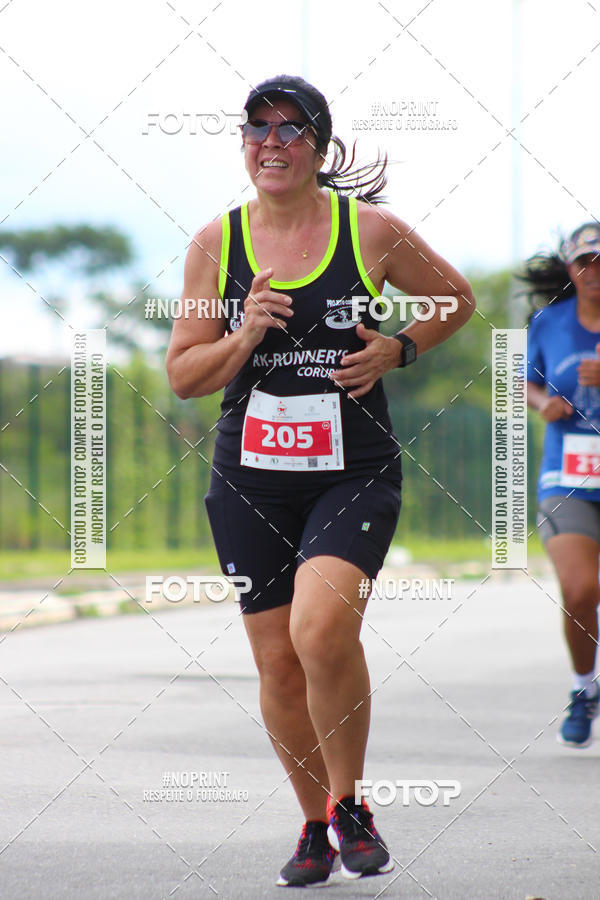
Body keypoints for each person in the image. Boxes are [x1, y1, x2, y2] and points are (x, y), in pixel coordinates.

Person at [167, 74, 475, 886]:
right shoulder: (216, 244)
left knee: (321, 630)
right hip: (250, 481)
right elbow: (184, 376)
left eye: (290, 128)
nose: (271, 142)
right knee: (277, 663)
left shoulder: (369, 232)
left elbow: (455, 298)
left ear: (319, 146)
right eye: (257, 128)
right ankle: (313, 827)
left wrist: (400, 348)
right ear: (243, 144)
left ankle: (351, 803)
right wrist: (242, 336)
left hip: (353, 472)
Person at [524, 223, 600, 748]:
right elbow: (523, 382)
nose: (594, 271)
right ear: (570, 269)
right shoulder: (548, 322)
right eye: (584, 262)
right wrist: (542, 402)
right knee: (579, 589)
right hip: (567, 476)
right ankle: (583, 687)